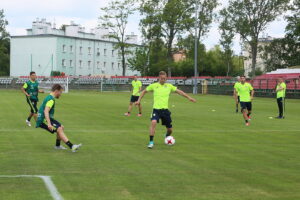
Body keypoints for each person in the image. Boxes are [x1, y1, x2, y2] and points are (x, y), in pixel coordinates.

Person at [136, 71, 196, 149]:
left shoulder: (169, 86)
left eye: (164, 78)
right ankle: (151, 142)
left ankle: (167, 136)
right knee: (153, 122)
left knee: (170, 130)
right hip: (156, 110)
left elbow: (179, 92)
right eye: (161, 78)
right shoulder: (154, 86)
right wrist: (138, 100)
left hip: (165, 111)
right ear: (159, 78)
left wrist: (189, 97)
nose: (163, 80)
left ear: (166, 78)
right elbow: (144, 91)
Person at [36, 84, 82, 152]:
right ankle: (71, 146)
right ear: (56, 91)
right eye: (60, 92)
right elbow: (46, 111)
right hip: (43, 120)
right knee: (59, 129)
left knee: (61, 127)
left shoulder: (49, 97)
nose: (60, 94)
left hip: (46, 118)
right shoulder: (51, 99)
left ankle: (57, 146)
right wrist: (49, 124)